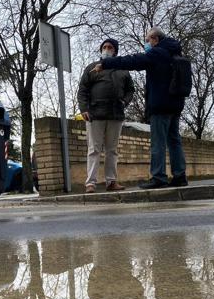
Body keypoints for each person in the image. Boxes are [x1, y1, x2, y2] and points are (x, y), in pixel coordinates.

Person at [92, 27, 188, 189]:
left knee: (158, 142)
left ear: (155, 39)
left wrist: (106, 63)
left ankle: (159, 177)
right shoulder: (174, 52)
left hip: (160, 105)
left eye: (147, 40)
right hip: (175, 105)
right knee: (174, 141)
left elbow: (133, 60)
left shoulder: (158, 53)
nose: (146, 43)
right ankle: (180, 176)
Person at [77, 38, 135, 193]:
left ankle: (111, 182)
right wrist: (84, 109)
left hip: (116, 114)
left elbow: (131, 90)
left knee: (112, 150)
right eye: (104, 47)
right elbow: (82, 90)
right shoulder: (92, 68)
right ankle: (90, 183)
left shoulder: (123, 70)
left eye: (110, 47)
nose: (107, 49)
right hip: (95, 114)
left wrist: (125, 101)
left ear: (115, 51)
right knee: (93, 149)